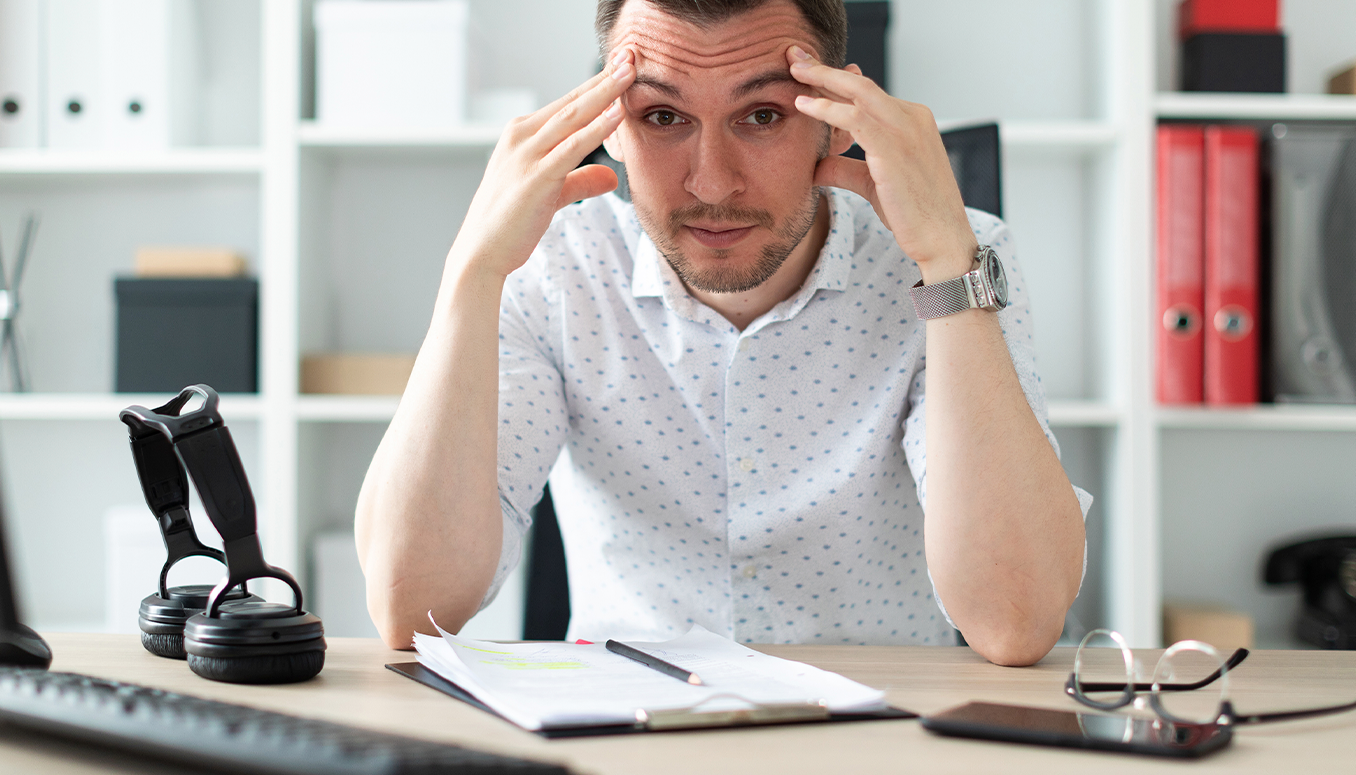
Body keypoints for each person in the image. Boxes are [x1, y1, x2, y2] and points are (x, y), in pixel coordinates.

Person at [355, 0, 1089, 666]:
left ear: (836, 118)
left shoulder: (959, 258)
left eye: (763, 114)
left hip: (879, 733)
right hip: (625, 734)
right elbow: (410, 603)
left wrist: (947, 263)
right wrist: (472, 271)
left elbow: (1014, 622)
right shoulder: (551, 267)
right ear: (606, 126)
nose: (711, 184)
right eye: (664, 117)